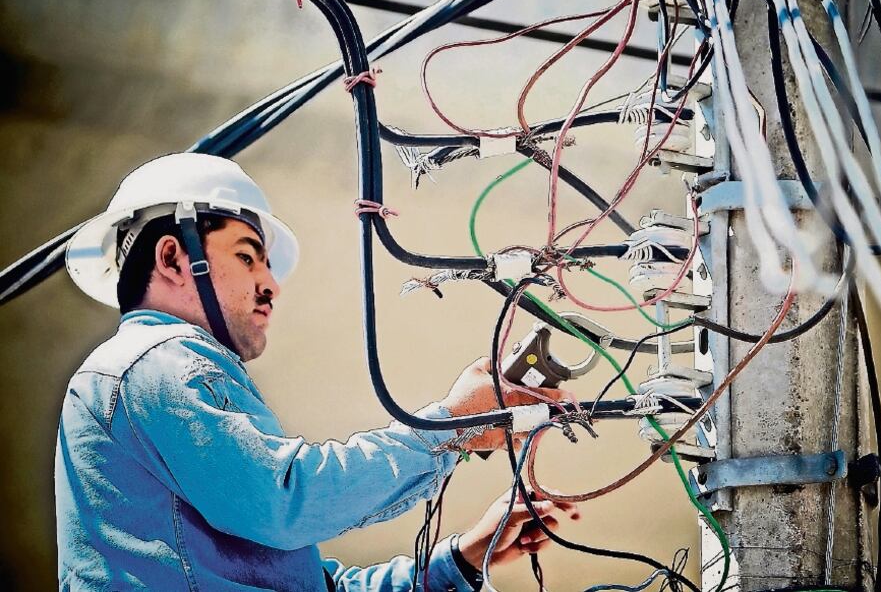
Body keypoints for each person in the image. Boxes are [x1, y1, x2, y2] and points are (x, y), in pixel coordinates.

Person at [56, 153, 578, 591]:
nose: (271, 285)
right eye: (248, 257)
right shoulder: (156, 359)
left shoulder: (158, 382)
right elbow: (284, 503)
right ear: (172, 258)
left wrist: (462, 558)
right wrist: (448, 426)